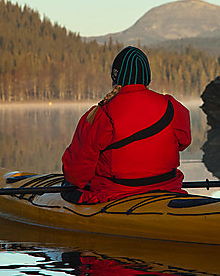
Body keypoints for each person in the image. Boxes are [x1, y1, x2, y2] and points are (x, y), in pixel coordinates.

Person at [62, 46, 191, 203]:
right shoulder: (172, 106)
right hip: (168, 190)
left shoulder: (99, 114)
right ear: (147, 77)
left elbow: (76, 173)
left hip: (114, 196)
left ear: (115, 78)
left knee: (69, 188)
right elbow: (184, 142)